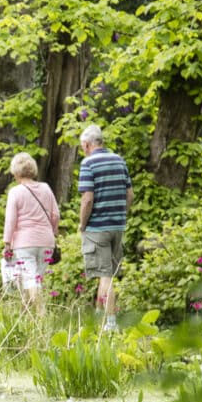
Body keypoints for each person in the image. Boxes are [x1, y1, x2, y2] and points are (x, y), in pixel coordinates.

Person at [75, 124, 129, 330]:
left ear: (87, 144)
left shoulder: (88, 163)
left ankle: (111, 324)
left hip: (97, 228)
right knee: (106, 273)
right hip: (117, 226)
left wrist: (82, 223)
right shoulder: (119, 160)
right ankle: (98, 317)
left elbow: (87, 199)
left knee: (105, 276)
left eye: (82, 147)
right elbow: (129, 194)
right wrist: (121, 216)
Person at [1, 151, 58, 305]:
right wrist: (53, 232)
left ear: (15, 172)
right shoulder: (46, 188)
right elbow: (55, 215)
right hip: (47, 242)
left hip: (24, 244)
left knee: (31, 280)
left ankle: (41, 317)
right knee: (34, 279)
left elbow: (10, 220)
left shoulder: (15, 192)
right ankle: (26, 318)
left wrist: (7, 244)